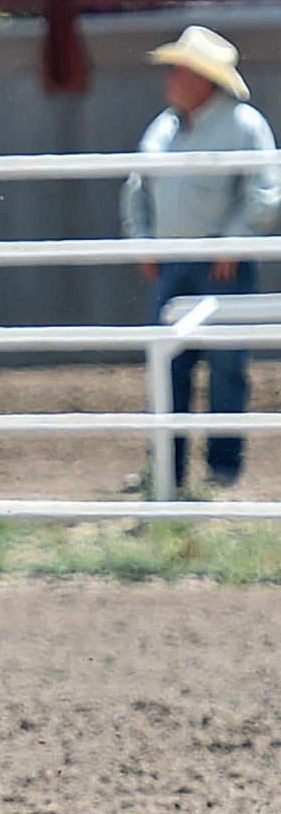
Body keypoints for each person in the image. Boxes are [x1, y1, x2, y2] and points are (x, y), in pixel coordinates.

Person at [121, 25, 281, 492]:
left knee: (226, 366)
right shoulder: (164, 127)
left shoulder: (243, 125)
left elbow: (265, 192)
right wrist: (143, 241)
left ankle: (221, 469)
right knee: (168, 366)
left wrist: (232, 242)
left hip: (220, 264)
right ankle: (165, 471)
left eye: (178, 69)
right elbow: (136, 187)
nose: (169, 77)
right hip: (172, 259)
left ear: (201, 77)